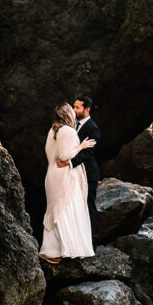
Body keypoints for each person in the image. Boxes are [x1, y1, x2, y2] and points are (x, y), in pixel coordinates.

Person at [39, 102, 97, 262]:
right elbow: (65, 156)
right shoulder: (68, 131)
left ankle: (51, 251)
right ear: (68, 114)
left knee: (55, 212)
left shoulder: (53, 130)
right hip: (64, 176)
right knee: (67, 211)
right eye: (72, 110)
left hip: (51, 175)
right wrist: (81, 146)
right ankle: (64, 251)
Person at [57, 95, 101, 246]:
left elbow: (87, 153)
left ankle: (92, 241)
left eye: (77, 107)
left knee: (89, 206)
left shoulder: (93, 128)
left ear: (87, 109)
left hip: (89, 173)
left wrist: (68, 162)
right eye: (73, 107)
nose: (74, 110)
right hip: (74, 173)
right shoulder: (71, 125)